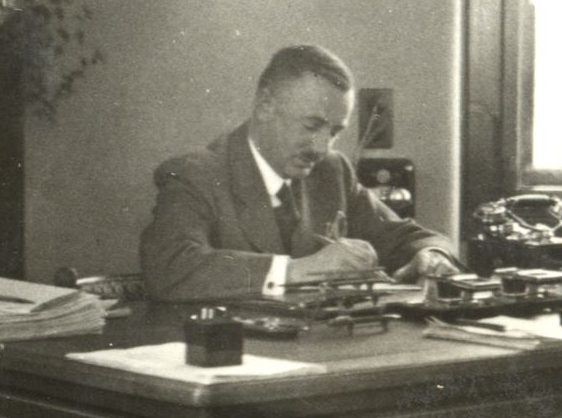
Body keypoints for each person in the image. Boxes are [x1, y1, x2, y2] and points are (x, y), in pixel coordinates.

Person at [140, 46, 461, 301]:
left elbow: (408, 237)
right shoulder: (196, 174)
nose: (322, 147)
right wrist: (297, 271)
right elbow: (171, 267)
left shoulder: (332, 171)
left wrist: (430, 255)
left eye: (334, 132)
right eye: (311, 126)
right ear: (265, 105)